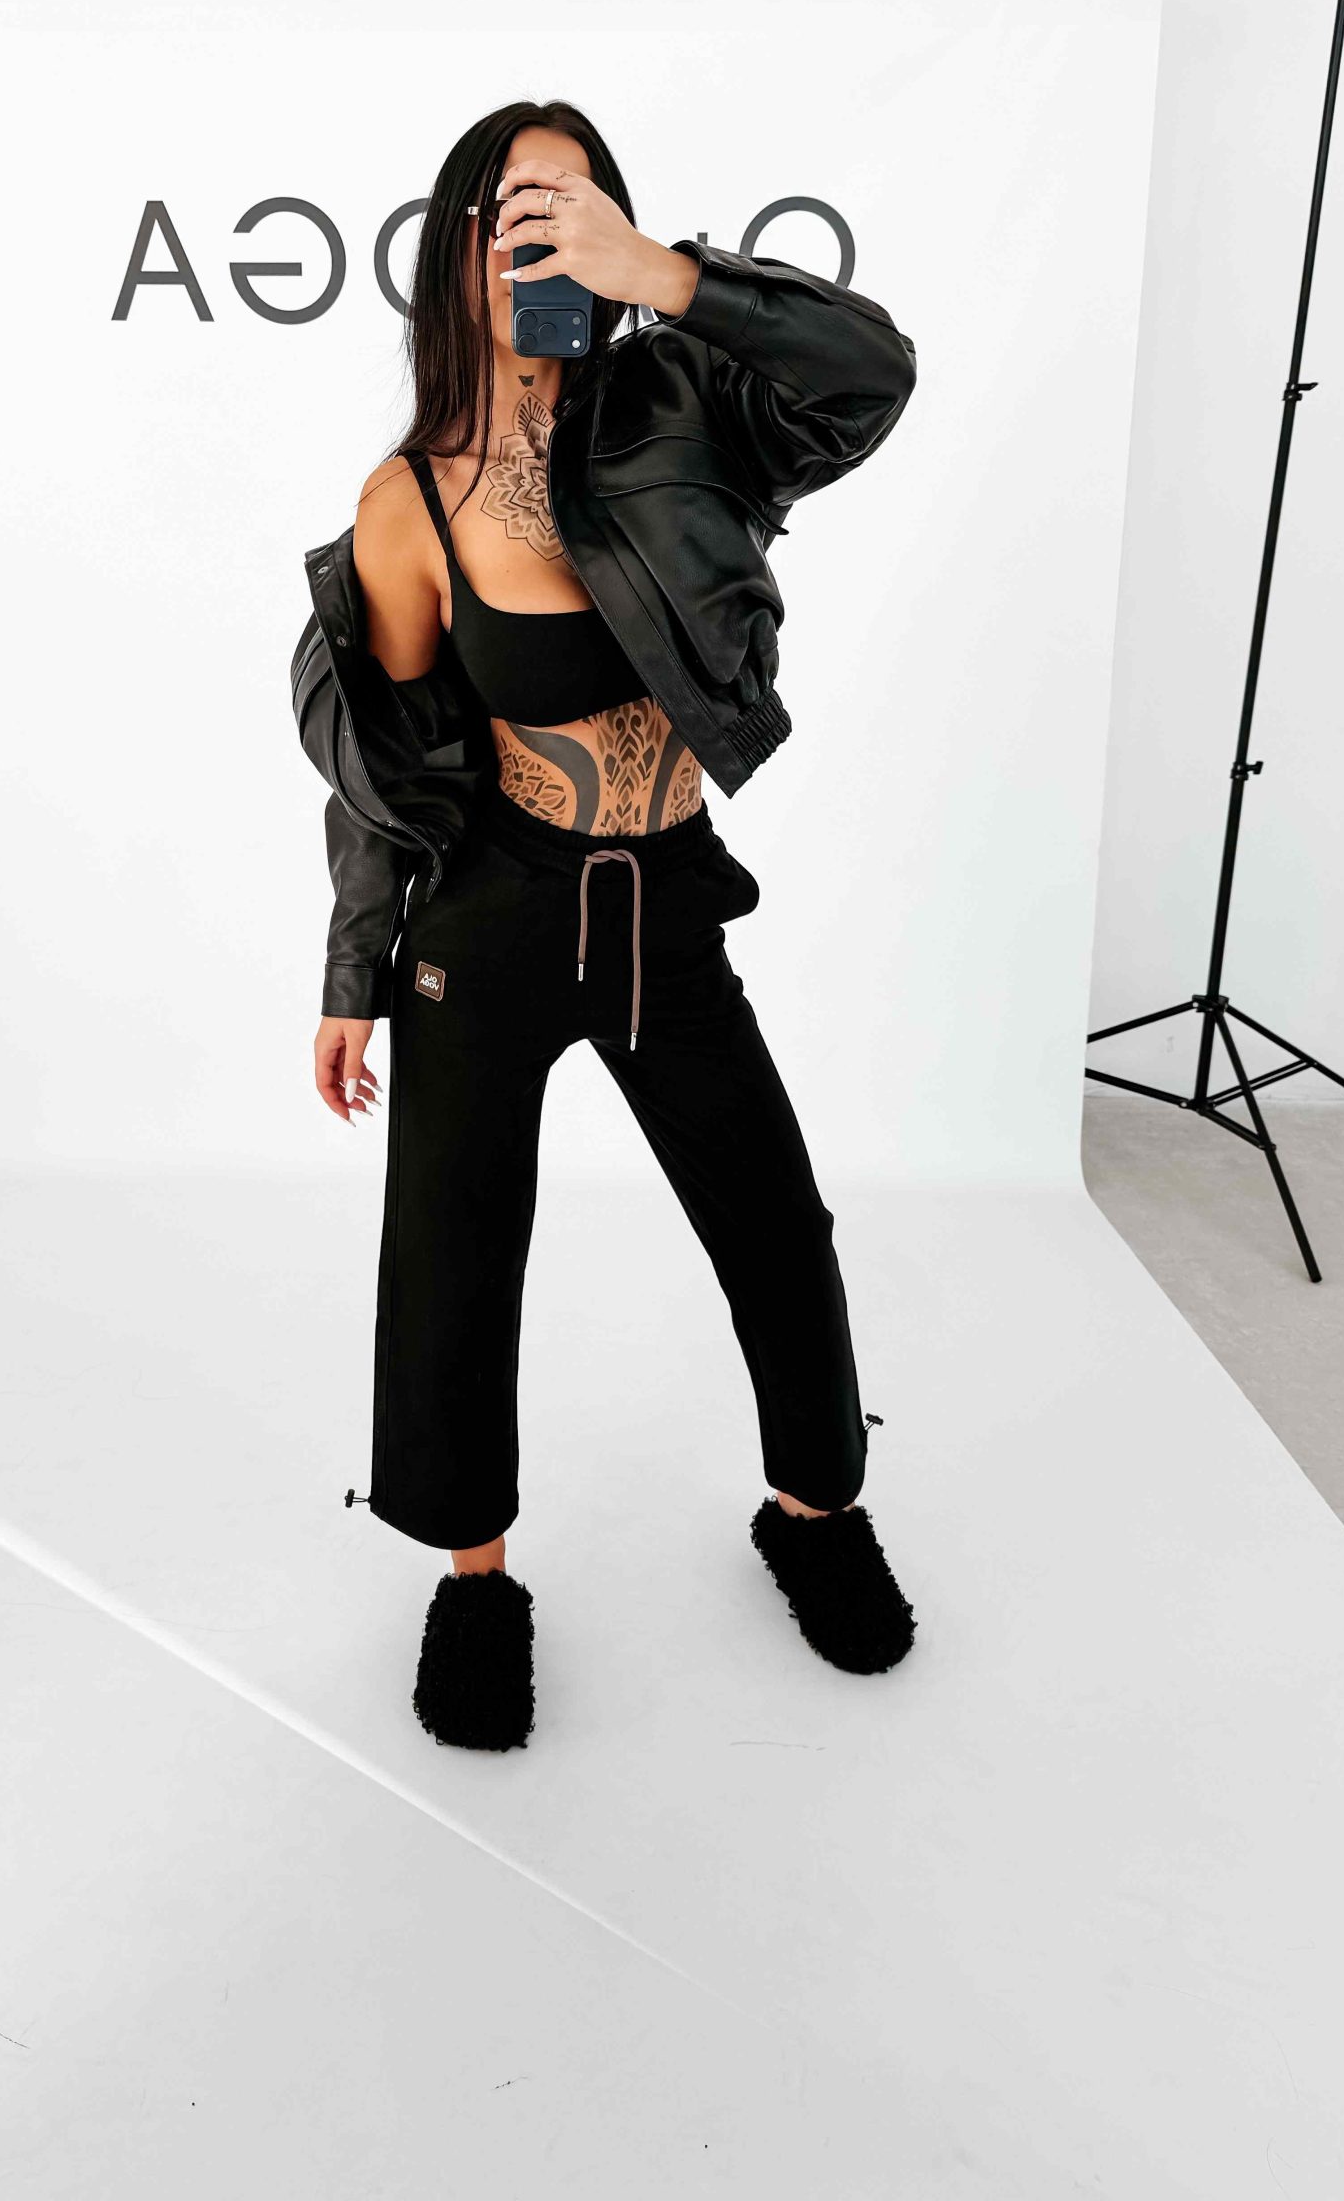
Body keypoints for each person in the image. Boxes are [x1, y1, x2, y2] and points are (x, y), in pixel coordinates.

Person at [290, 99, 920, 1749]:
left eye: (578, 205)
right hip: (493, 919)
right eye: (517, 209)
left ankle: (814, 1511)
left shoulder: (698, 411)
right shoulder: (410, 502)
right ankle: (474, 1579)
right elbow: (389, 770)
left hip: (667, 911)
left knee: (775, 1225)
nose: (547, 231)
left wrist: (673, 278)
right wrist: (354, 972)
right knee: (452, 1257)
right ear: (462, 250)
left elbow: (873, 373)